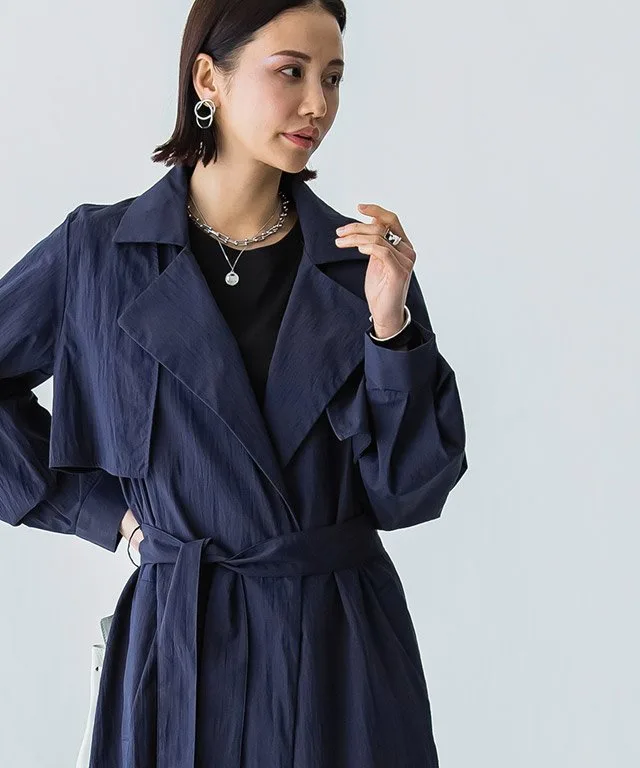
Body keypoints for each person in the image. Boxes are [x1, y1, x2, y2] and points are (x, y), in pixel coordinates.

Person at [0, 1, 468, 766]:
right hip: (178, 647)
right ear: (207, 78)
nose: (318, 104)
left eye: (333, 78)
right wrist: (102, 514)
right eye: (291, 71)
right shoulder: (101, 253)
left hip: (338, 654)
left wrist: (392, 330)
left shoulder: (361, 270)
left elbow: (409, 496)